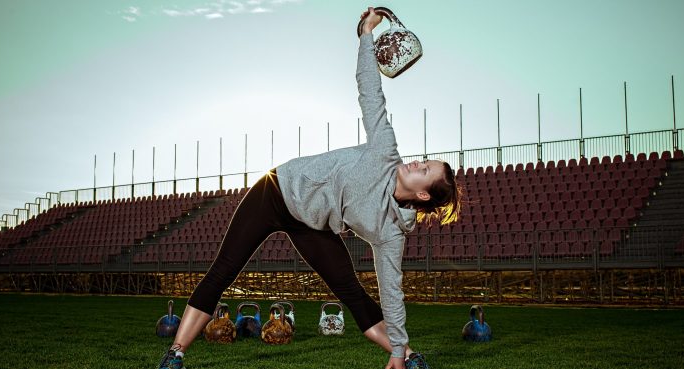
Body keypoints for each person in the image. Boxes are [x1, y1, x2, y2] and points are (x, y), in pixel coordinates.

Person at [157, 7, 462, 369]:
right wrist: (366, 36)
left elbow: (391, 293)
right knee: (224, 269)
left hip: (312, 224)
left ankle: (408, 358)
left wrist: (398, 350)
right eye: (423, 160)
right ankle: (175, 353)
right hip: (275, 191)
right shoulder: (385, 152)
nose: (417, 162)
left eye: (424, 169)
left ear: (424, 194)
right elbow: (371, 92)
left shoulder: (390, 233)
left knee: (352, 292)